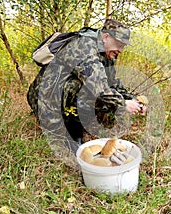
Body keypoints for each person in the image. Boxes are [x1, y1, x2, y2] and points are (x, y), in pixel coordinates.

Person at [27, 19, 147, 152]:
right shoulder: (84, 45)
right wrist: (123, 104)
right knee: (85, 88)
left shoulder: (106, 53)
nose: (121, 50)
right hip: (45, 99)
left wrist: (133, 99)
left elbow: (111, 83)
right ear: (106, 37)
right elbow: (99, 88)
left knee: (105, 97)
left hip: (61, 94)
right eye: (119, 44)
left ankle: (79, 122)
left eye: (123, 46)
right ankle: (68, 133)